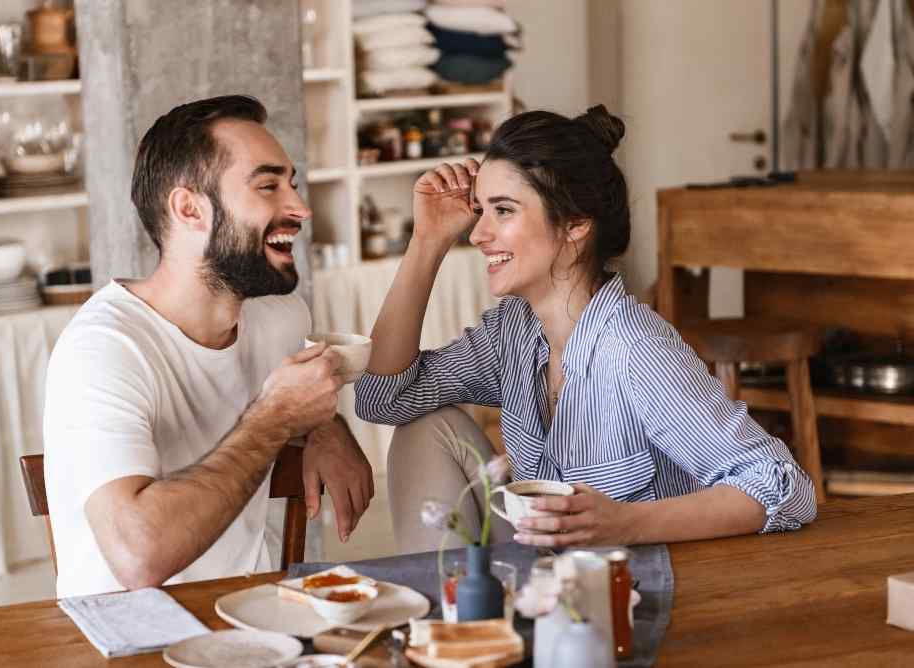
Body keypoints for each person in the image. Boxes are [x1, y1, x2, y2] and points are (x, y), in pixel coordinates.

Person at [354, 105, 816, 554]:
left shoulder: (636, 350)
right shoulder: (512, 333)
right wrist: (427, 241)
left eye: (504, 210)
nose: (477, 234)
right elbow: (382, 399)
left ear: (575, 223)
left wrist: (624, 524)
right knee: (425, 426)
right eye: (480, 210)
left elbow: (785, 488)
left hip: (638, 591)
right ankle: (456, 630)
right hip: (549, 579)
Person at [44, 95, 373, 598]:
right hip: (127, 638)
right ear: (189, 208)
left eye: (292, 184)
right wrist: (277, 419)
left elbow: (299, 404)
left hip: (248, 619)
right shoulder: (103, 349)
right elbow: (138, 555)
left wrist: (327, 428)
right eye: (268, 186)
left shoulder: (283, 319)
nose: (300, 208)